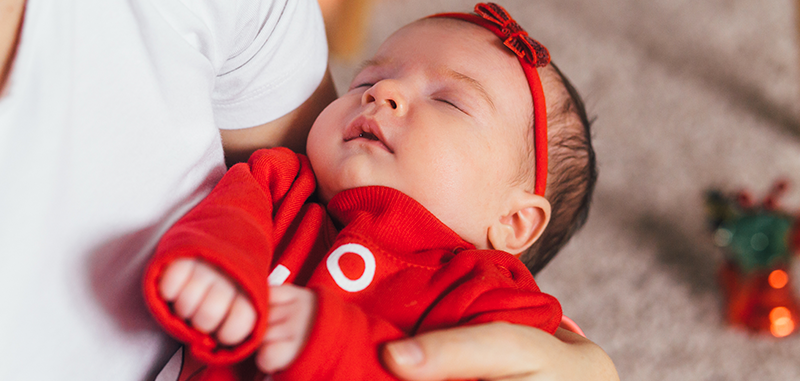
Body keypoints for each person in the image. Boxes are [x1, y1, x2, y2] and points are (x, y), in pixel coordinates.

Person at [0, 0, 618, 379]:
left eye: (449, 100)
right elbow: (228, 220)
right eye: (369, 77)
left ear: (513, 224)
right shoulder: (281, 182)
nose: (381, 93)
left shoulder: (490, 296)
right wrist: (215, 269)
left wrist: (330, 344)